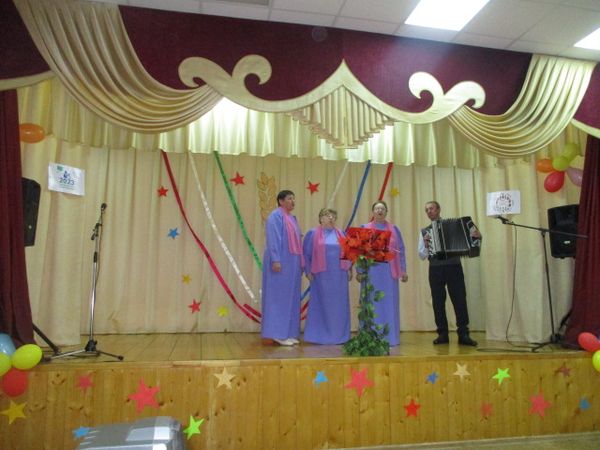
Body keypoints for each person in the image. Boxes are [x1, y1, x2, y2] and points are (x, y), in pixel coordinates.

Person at [418, 201, 480, 346]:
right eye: (426, 210)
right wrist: (426, 245)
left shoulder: (457, 225)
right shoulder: (425, 231)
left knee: (459, 299)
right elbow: (421, 255)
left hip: (454, 267)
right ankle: (442, 334)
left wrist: (476, 236)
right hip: (435, 269)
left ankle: (463, 333)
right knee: (438, 302)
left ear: (438, 209)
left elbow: (474, 238)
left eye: (431, 208)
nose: (429, 212)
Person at [356, 201, 408, 347]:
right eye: (377, 208)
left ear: (386, 212)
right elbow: (359, 251)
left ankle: (389, 338)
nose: (380, 211)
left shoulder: (394, 229)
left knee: (389, 305)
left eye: (383, 209)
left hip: (389, 274)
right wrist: (359, 271)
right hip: (371, 273)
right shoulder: (364, 228)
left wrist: (403, 270)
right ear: (373, 212)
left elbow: (401, 250)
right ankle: (369, 337)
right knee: (371, 303)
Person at [302, 208, 352, 344]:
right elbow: (306, 254)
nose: (331, 218)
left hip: (339, 276)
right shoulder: (312, 234)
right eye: (327, 215)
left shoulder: (341, 234)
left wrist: (349, 269)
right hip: (321, 276)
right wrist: (308, 271)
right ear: (320, 218)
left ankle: (339, 336)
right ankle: (318, 336)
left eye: (333, 216)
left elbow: (348, 253)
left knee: (339, 306)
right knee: (320, 305)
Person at [261, 190, 303, 346]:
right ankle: (277, 333)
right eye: (289, 198)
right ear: (281, 201)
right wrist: (276, 259)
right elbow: (273, 239)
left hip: (292, 263)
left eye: (294, 198)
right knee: (278, 297)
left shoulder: (292, 218)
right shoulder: (275, 216)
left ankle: (288, 332)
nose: (293, 201)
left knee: (290, 297)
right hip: (280, 262)